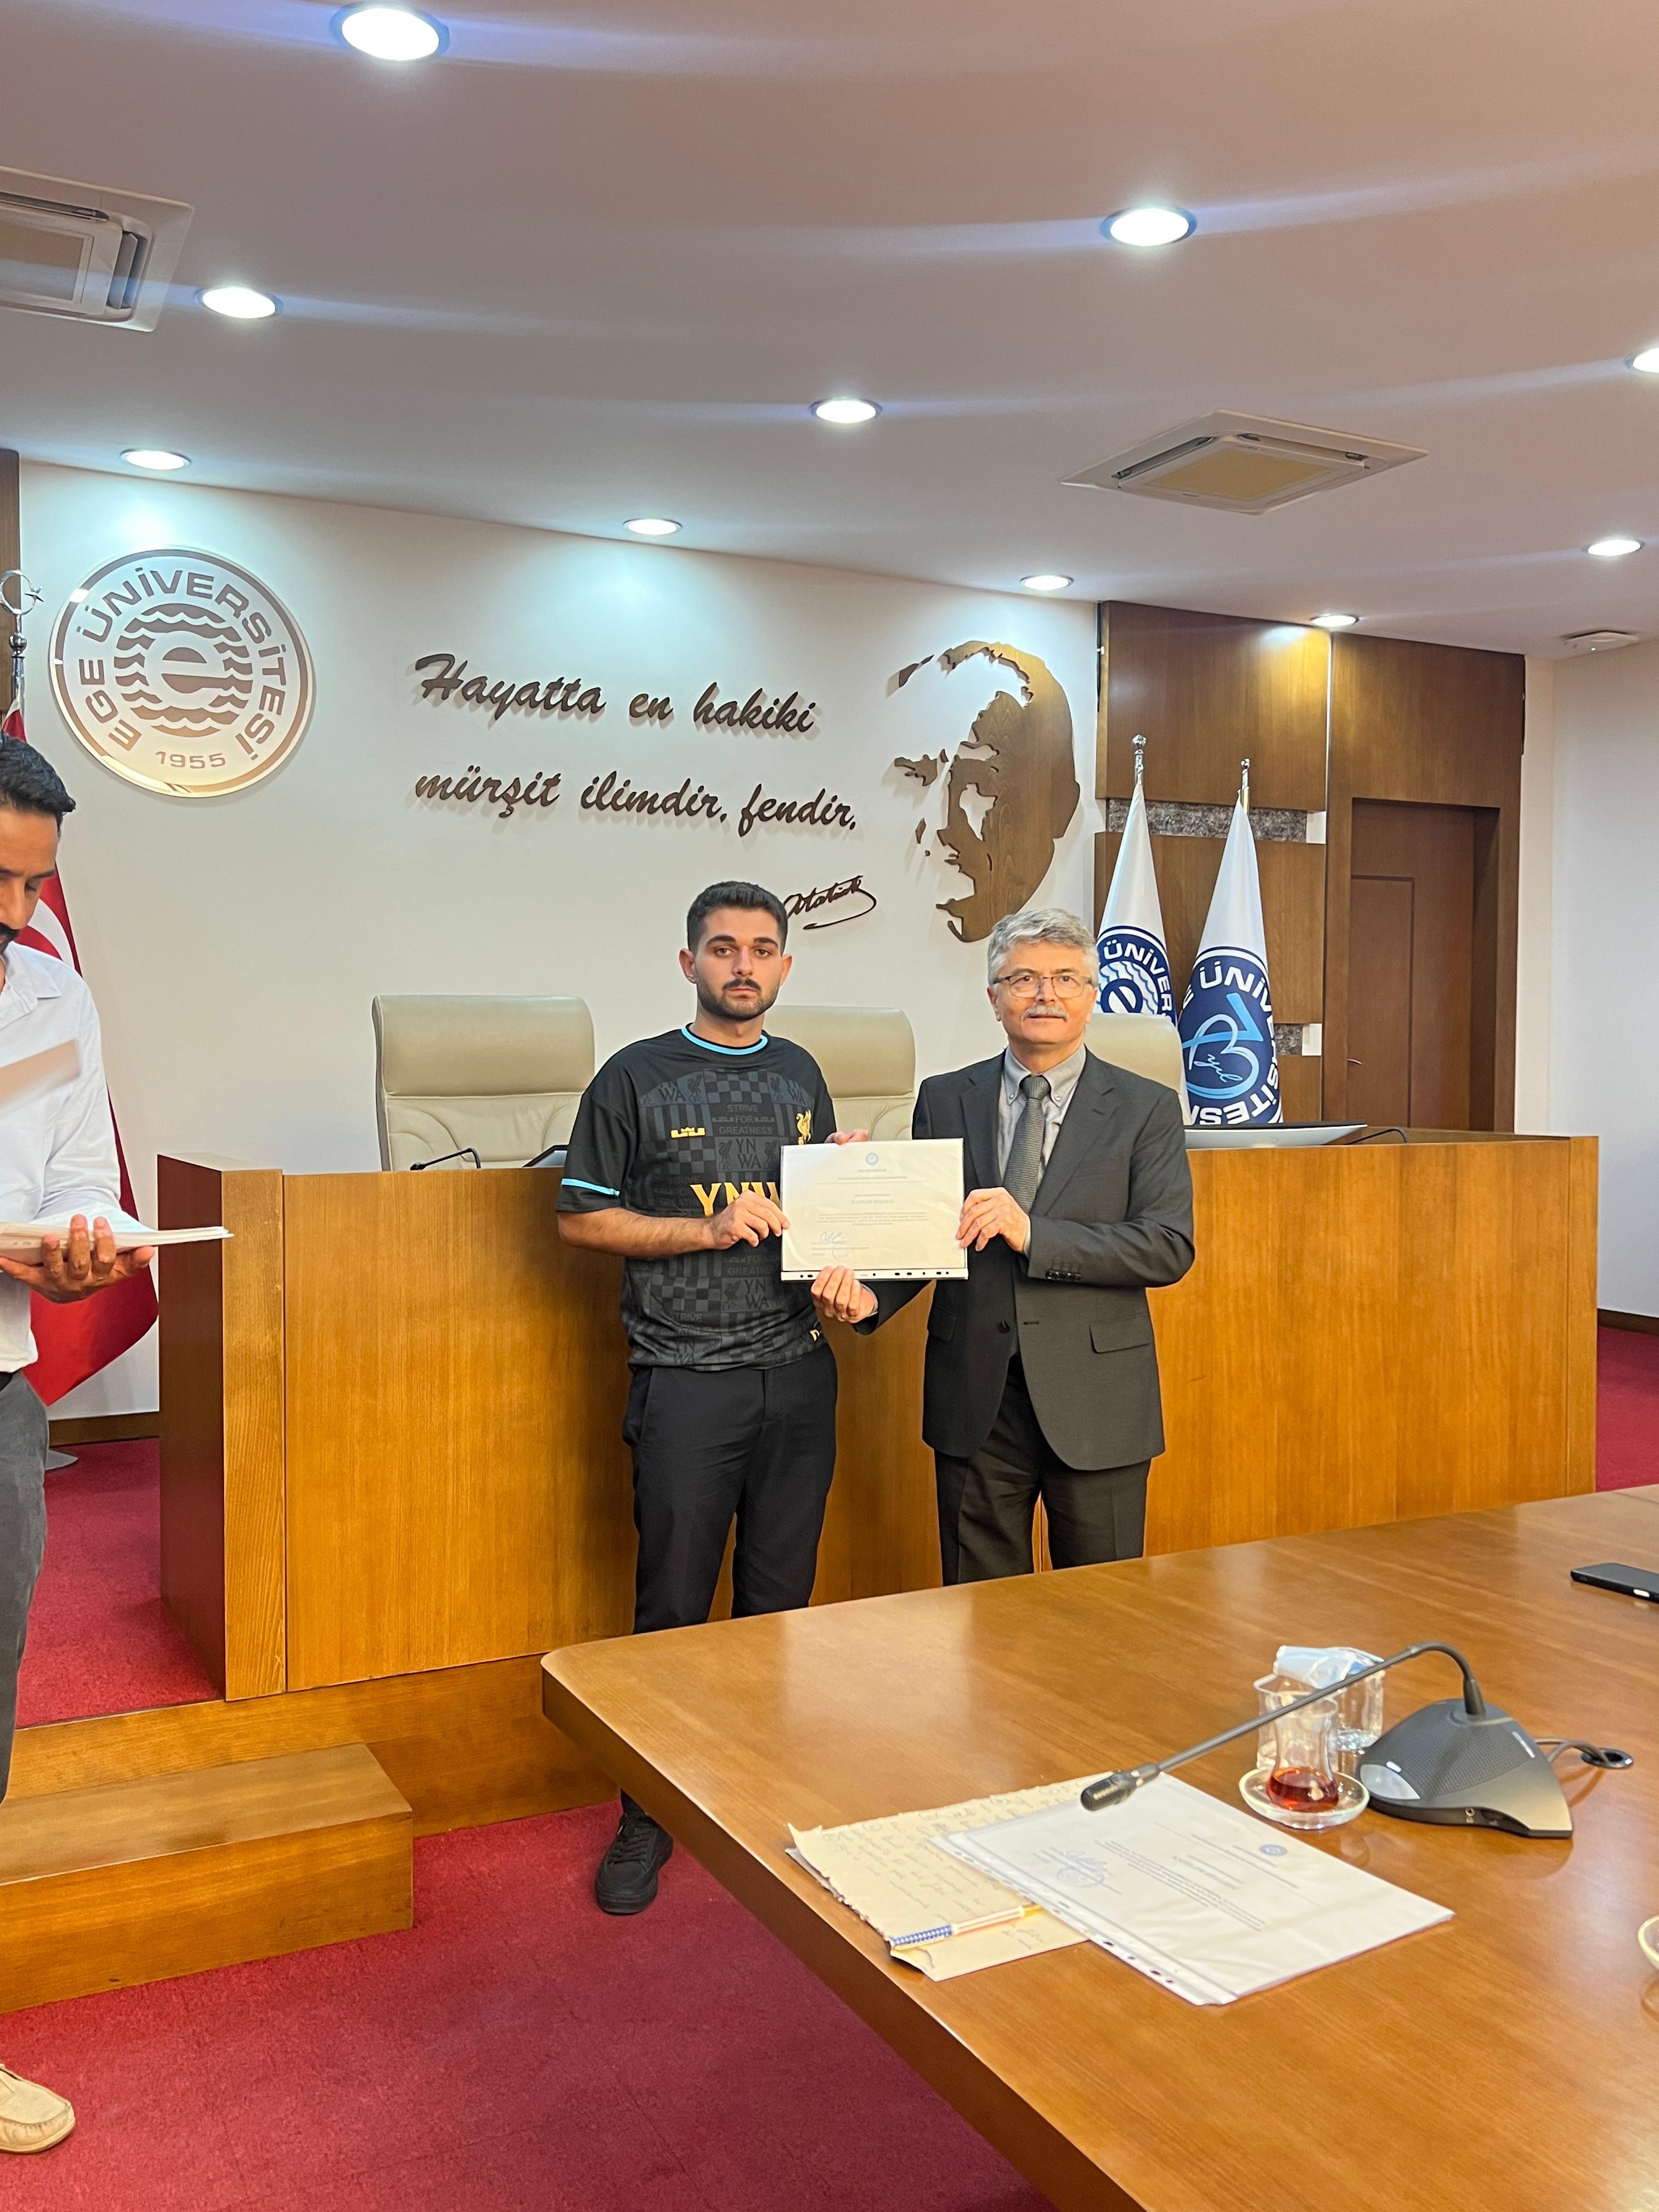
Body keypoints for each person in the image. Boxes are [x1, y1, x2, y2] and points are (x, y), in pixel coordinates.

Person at [557, 881, 864, 1915]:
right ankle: (648, 1812)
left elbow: (816, 1214)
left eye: (762, 949)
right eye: (724, 948)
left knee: (779, 1609)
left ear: (784, 967)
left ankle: (754, 1792)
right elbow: (578, 1220)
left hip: (798, 1372)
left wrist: (847, 1180)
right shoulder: (634, 1076)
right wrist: (705, 1228)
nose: (744, 965)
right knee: (674, 1612)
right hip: (685, 1377)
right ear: (689, 963)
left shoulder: (801, 1073)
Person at [813, 906, 1193, 1583]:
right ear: (994, 998)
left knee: (1103, 1611)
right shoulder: (944, 1098)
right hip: (975, 1397)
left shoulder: (1147, 1107)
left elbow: (1166, 1246)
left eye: (1065, 979)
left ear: (1091, 995)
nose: (1045, 995)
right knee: (979, 1613)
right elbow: (933, 1231)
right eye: (1023, 979)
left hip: (1096, 1399)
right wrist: (869, 1285)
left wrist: (1033, 1233)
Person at [0, 742, 155, 2154]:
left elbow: (72, 1176)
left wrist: (73, 1246)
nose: (15, 912)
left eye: (35, 886)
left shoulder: (53, 988)